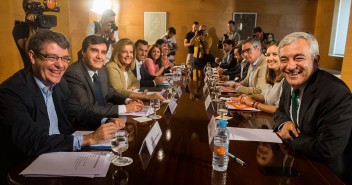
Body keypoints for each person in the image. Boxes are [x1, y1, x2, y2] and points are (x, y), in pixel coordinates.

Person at [0, 29, 125, 185]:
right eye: (52, 57)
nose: (60, 65)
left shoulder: (60, 83)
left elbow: (79, 113)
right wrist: (89, 139)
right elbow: (32, 141)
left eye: (65, 58)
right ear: (32, 56)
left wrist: (107, 121)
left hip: (62, 154)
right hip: (27, 168)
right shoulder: (11, 92)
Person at [273, 32, 352, 183]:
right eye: (284, 59)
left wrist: (288, 135)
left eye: (299, 58)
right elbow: (280, 112)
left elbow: (327, 150)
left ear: (315, 60)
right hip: (296, 161)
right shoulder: (287, 82)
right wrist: (284, 123)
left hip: (326, 174)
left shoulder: (335, 92)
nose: (290, 66)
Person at [64, 35, 144, 117]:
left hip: (105, 117)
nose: (99, 56)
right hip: (86, 124)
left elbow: (110, 93)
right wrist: (126, 108)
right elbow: (86, 109)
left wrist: (128, 101)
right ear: (83, 52)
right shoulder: (74, 73)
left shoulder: (102, 69)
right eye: (94, 51)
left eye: (103, 52)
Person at [237, 42, 284, 114]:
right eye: (268, 55)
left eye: (275, 54)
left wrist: (253, 103)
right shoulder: (272, 76)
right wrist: (250, 97)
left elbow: (279, 110)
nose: (270, 58)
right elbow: (264, 96)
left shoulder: (286, 79)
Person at [12, 0, 40, 69]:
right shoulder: (19, 27)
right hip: (32, 70)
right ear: (25, 7)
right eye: (32, 4)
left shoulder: (42, 24)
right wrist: (31, 26)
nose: (35, 7)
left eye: (37, 4)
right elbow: (28, 51)